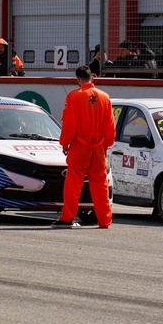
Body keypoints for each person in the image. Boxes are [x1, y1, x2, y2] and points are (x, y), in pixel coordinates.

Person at [52, 65, 114, 229]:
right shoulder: (105, 97)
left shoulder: (73, 96)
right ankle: (104, 220)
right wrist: (104, 144)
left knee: (73, 185)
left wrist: (65, 143)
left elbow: (69, 124)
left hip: (80, 146)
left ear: (78, 79)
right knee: (101, 185)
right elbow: (110, 126)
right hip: (99, 148)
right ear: (92, 77)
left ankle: (67, 218)